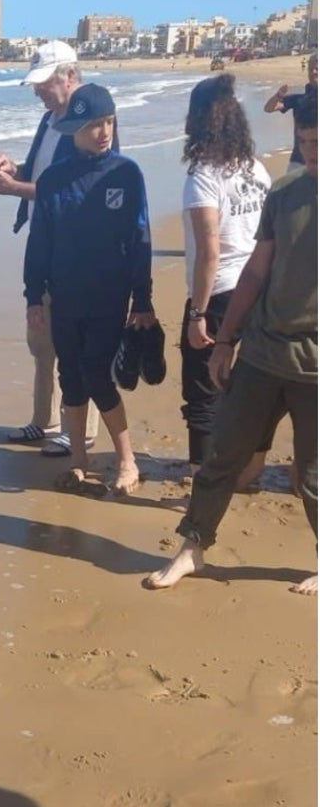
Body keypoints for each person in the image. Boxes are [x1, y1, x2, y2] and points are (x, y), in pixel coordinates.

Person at [147, 95, 317, 595]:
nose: (312, 155)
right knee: (224, 453)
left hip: (315, 368)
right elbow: (255, 270)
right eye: (304, 144)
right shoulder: (285, 192)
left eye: (318, 143)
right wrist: (225, 340)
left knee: (311, 475)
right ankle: (191, 549)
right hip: (264, 353)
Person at [22, 83, 154, 495]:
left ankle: (128, 461)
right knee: (71, 377)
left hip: (109, 296)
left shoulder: (126, 173)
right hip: (64, 295)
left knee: (98, 374)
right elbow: (39, 240)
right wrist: (33, 295)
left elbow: (140, 238)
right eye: (95, 124)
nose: (104, 131)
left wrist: (143, 299)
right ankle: (79, 461)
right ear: (74, 129)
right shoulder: (54, 180)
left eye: (109, 122)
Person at [0, 41, 110, 458]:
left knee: (76, 343)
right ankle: (45, 419)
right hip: (45, 242)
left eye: (43, 83)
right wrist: (10, 170)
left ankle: (82, 431)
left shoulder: (93, 121)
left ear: (70, 77)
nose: (37, 91)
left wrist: (15, 189)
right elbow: (40, 174)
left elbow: (79, 189)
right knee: (41, 339)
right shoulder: (49, 120)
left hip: (78, 250)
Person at [179, 74, 275, 484]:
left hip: (220, 293)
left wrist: (197, 313)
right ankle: (249, 472)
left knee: (203, 389)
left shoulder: (204, 175)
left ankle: (203, 476)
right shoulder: (256, 169)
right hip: (261, 287)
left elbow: (209, 251)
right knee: (253, 387)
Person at [263, 52, 317, 172]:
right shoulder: (299, 99)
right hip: (298, 162)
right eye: (311, 69)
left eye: (317, 69)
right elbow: (268, 108)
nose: (313, 72)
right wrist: (278, 95)